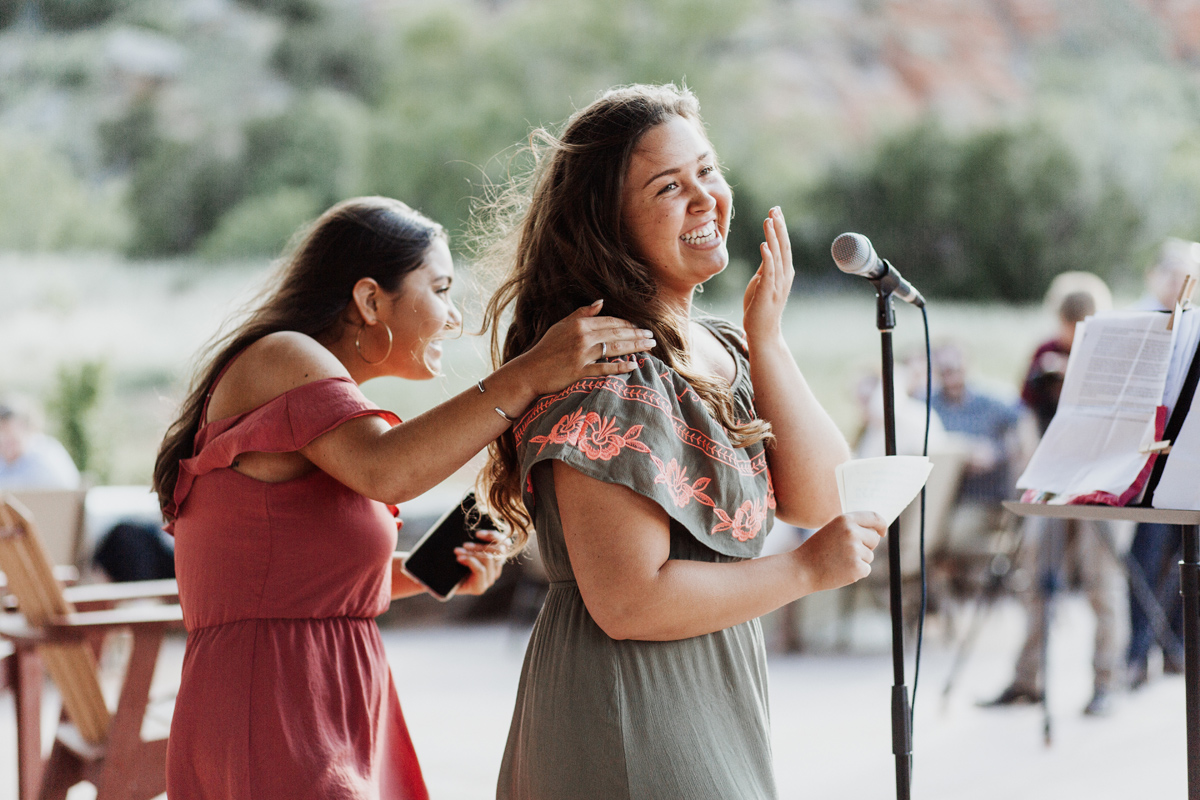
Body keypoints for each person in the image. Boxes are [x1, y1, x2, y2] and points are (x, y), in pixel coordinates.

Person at [152, 196, 655, 800]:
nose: (452, 317)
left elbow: (295, 583)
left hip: (318, 693)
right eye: (441, 288)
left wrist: (427, 574)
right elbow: (389, 470)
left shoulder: (312, 403)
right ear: (369, 300)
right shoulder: (285, 355)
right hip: (279, 703)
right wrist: (529, 372)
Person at [476, 84, 886, 799]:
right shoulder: (602, 364)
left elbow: (821, 498)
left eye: (708, 171)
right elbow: (630, 601)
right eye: (669, 187)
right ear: (608, 224)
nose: (705, 199)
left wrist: (768, 341)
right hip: (627, 702)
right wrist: (803, 574)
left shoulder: (722, 347)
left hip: (714, 689)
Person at [982, 283, 1126, 717]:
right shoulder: (1045, 349)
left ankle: (1107, 683)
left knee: (1103, 582)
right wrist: (1033, 466)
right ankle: (1028, 678)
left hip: (1102, 481)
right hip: (1051, 478)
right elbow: (1025, 411)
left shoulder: (1113, 350)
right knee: (1036, 576)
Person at [1126, 238, 1200, 688]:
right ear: (1155, 276)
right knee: (1146, 559)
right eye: (1172, 273)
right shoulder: (1138, 318)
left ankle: (1177, 649)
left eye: (1187, 274)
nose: (1179, 283)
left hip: (1189, 458)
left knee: (1187, 560)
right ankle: (1137, 655)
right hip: (1148, 463)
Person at [929, 342, 1021, 549]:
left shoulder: (993, 403)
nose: (950, 376)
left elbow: (1022, 434)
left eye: (954, 368)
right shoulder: (927, 403)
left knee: (954, 536)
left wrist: (995, 454)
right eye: (944, 370)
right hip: (940, 496)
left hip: (980, 497)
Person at [0, 395, 81, 490]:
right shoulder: (5, 461)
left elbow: (65, 491)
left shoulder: (45, 454)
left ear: (27, 429)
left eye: (8, 433)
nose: (3, 439)